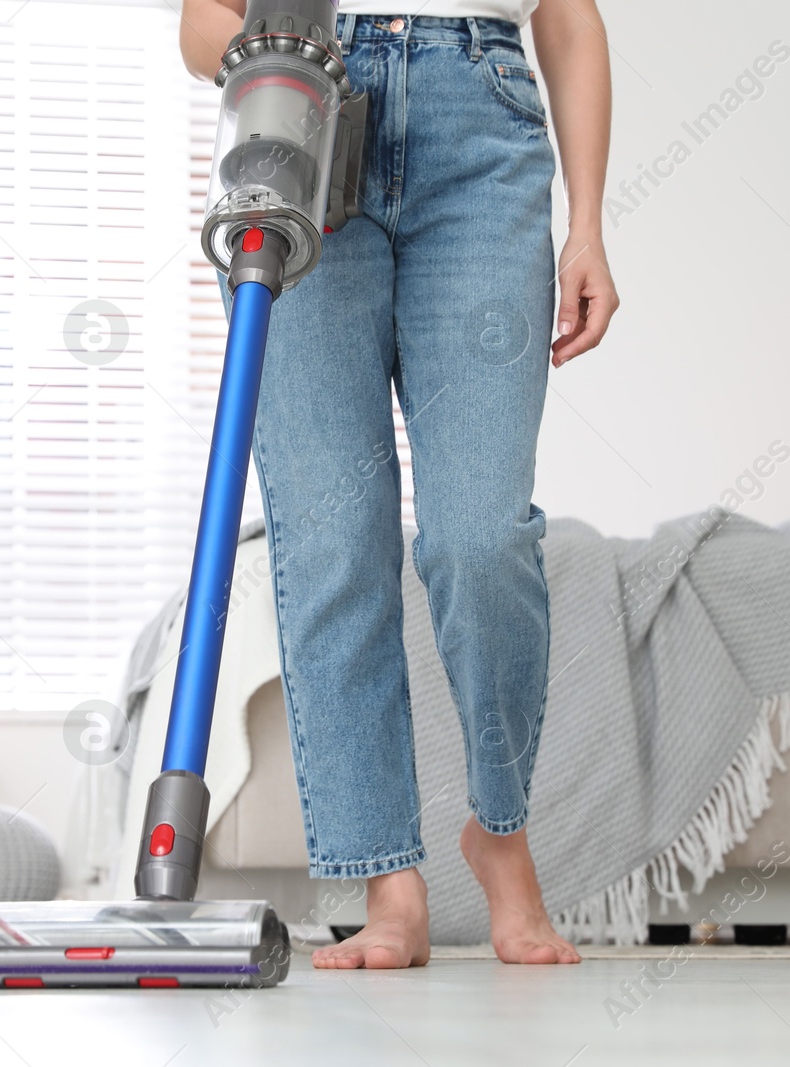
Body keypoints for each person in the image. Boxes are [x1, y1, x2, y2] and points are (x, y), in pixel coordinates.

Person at [178, 0, 619, 968]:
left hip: (483, 127)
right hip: (298, 124)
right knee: (331, 541)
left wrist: (586, 224)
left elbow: (571, 20)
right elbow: (199, 24)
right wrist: (281, 63)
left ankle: (498, 831)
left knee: (481, 532)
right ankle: (388, 888)